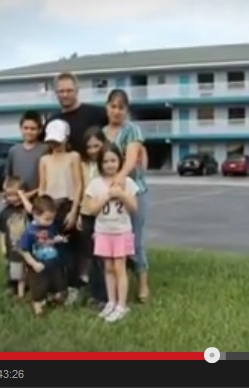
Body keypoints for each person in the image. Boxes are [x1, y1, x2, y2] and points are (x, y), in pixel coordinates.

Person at [45, 71, 108, 295]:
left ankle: (99, 287)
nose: (65, 94)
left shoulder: (96, 113)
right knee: (67, 239)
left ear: (77, 90)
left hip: (93, 185)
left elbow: (115, 132)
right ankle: (72, 284)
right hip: (67, 192)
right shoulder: (53, 121)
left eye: (69, 90)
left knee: (94, 239)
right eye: (60, 91)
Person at [102, 89, 150, 302]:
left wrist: (120, 177)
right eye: (113, 106)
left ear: (126, 110)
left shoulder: (132, 130)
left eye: (121, 107)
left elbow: (131, 159)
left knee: (135, 240)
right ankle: (113, 287)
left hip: (133, 190)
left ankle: (143, 284)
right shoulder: (100, 132)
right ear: (107, 108)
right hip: (107, 195)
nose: (116, 111)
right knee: (111, 239)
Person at [84, 144, 139, 322]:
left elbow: (134, 208)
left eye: (113, 160)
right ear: (100, 163)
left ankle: (122, 305)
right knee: (108, 268)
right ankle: (111, 301)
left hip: (121, 232)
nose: (110, 164)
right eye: (105, 161)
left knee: (119, 268)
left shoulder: (128, 183)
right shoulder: (95, 184)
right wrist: (107, 196)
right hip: (103, 232)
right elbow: (91, 209)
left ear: (119, 161)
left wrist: (122, 195)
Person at [38, 118, 83, 304]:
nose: (55, 145)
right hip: (48, 206)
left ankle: (72, 287)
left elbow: (79, 184)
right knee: (48, 248)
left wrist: (74, 211)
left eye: (58, 141)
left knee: (69, 250)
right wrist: (38, 210)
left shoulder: (73, 157)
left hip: (67, 204)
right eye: (51, 141)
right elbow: (42, 185)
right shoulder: (44, 159)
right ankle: (53, 288)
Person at [19, 195, 68, 316]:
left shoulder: (51, 227)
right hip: (38, 266)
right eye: (47, 219)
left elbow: (52, 239)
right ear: (35, 214)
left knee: (58, 286)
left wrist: (58, 239)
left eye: (52, 219)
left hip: (53, 263)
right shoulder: (30, 231)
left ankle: (55, 300)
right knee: (38, 289)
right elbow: (23, 250)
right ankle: (38, 309)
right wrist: (33, 263)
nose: (50, 222)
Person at [76, 127, 108, 307]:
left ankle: (105, 295)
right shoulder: (84, 164)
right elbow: (82, 190)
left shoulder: (109, 163)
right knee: (90, 256)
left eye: (97, 145)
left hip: (104, 216)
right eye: (89, 147)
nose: (93, 150)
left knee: (103, 257)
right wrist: (80, 213)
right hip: (87, 214)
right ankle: (94, 293)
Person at [0, 176, 30, 299]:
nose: (13, 198)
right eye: (9, 195)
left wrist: (23, 197)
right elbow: (2, 232)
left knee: (26, 272)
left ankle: (21, 293)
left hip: (27, 248)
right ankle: (14, 289)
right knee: (14, 271)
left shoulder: (26, 210)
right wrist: (3, 246)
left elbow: (31, 211)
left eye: (16, 195)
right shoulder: (4, 213)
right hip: (12, 248)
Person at [4, 111, 47, 195]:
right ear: (21, 128)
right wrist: (9, 193)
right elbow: (8, 178)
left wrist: (28, 195)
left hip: (38, 200)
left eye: (33, 129)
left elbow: (48, 181)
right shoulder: (14, 151)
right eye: (26, 128)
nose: (29, 132)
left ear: (40, 130)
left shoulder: (45, 150)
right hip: (16, 199)